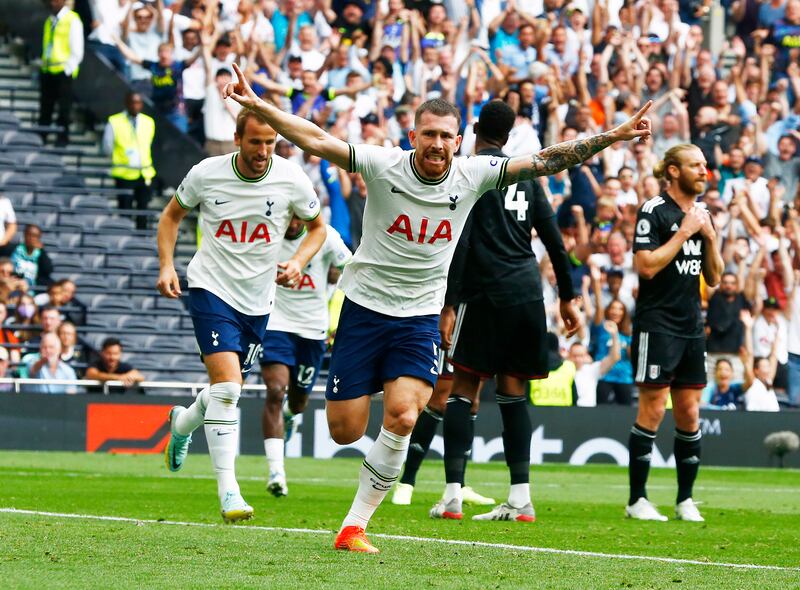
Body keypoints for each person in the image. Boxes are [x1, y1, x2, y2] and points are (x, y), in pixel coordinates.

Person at [223, 63, 653, 552]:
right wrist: (259, 106)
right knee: (344, 431)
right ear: (413, 135)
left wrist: (613, 136)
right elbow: (317, 140)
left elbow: (548, 160)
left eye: (446, 135)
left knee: (406, 415)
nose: (437, 144)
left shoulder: (475, 173)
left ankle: (354, 526)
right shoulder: (382, 164)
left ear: (458, 139)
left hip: (420, 316)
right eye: (428, 134)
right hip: (363, 309)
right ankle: (364, 443)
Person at [158, 108, 326, 524]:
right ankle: (229, 490)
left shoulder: (291, 178)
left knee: (222, 391)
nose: (264, 150)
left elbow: (317, 227)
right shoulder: (206, 173)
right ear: (237, 139)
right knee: (229, 389)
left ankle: (182, 423)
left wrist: (300, 261)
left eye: (271, 142)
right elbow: (171, 216)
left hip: (258, 302)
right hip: (210, 288)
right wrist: (166, 265)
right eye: (256, 142)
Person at [421, 100, 580, 523]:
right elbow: (554, 240)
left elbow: (464, 241)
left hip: (484, 293)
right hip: (527, 294)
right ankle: (520, 498)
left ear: (473, 129)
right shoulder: (527, 177)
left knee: (463, 390)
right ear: (509, 137)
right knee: (513, 393)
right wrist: (568, 296)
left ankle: (453, 494)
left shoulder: (470, 172)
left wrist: (449, 304)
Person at [626, 144, 724, 523]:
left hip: (691, 326)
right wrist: (684, 233)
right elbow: (646, 267)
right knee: (652, 411)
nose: (704, 171)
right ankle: (637, 499)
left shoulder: (703, 214)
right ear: (672, 171)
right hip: (657, 323)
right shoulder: (654, 210)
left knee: (689, 411)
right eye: (695, 165)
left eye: (704, 165)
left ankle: (685, 499)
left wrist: (711, 238)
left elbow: (713, 278)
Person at [261, 217, 351, 497]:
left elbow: (349, 266)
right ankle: (277, 472)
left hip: (312, 329)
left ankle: (291, 415)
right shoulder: (268, 232)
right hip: (275, 322)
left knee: (298, 402)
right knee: (275, 391)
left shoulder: (325, 235)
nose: (292, 221)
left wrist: (340, 306)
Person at [102, 92, 156, 230]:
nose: (135, 106)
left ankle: (141, 239)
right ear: (126, 104)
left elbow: (148, 143)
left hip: (144, 172)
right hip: (124, 172)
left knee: (143, 208)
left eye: (138, 102)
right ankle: (124, 236)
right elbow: (107, 146)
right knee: (124, 208)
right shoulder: (115, 121)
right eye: (132, 102)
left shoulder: (148, 121)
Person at [39, 0, 84, 147]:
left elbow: (77, 48)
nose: (52, 3)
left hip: (63, 69)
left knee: (64, 107)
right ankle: (42, 135)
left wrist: (68, 68)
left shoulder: (73, 19)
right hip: (47, 68)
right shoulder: (49, 20)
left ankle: (62, 138)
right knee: (46, 106)